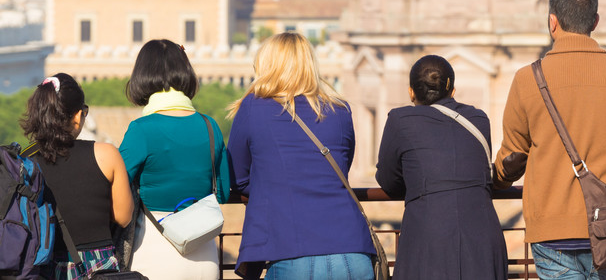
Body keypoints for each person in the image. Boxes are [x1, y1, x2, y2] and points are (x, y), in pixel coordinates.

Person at [494, 0, 606, 280]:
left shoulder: (526, 79)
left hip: (551, 228)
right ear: (595, 21)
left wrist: (497, 180)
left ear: (552, 22)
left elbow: (512, 158)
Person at [227, 32, 376, 280]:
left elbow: (237, 177)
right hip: (353, 252)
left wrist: (273, 185)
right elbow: (339, 171)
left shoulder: (253, 107)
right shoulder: (340, 110)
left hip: (292, 249)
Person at [375, 55, 506, 280]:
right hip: (482, 236)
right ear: (452, 91)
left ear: (411, 92)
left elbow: (387, 180)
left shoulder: (400, 120)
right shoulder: (479, 119)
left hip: (428, 234)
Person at [119, 39, 231, 279]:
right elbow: (222, 191)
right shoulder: (210, 126)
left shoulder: (141, 130)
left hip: (154, 248)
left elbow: (113, 187)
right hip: (205, 253)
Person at [21, 73, 134, 279]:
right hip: (98, 265)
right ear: (76, 115)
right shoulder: (106, 154)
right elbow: (124, 217)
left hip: (42, 265)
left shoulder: (24, 162)